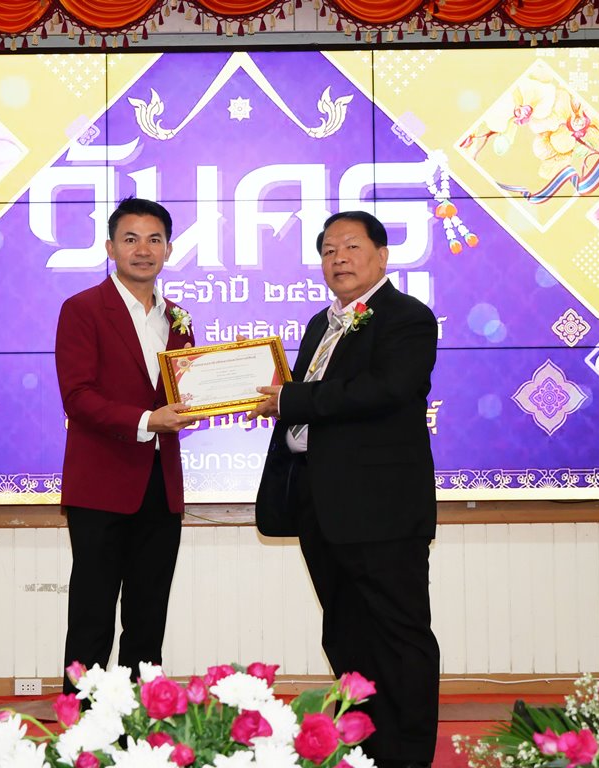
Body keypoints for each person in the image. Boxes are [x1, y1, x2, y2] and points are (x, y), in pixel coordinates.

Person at [251, 211, 440, 768]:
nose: (339, 259)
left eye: (352, 247)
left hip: (382, 510)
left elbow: (386, 389)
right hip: (322, 506)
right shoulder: (320, 324)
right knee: (346, 636)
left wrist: (290, 399)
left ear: (382, 256)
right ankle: (366, 749)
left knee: (400, 637)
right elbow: (312, 403)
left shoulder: (408, 318)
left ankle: (409, 758)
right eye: (329, 250)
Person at [55, 197, 197, 679]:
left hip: (162, 483)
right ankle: (84, 716)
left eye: (154, 240)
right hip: (101, 483)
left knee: (149, 614)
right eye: (131, 239)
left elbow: (184, 392)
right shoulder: (82, 309)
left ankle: (144, 712)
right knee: (92, 613)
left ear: (169, 249)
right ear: (110, 248)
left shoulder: (179, 318)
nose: (143, 250)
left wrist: (204, 401)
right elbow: (78, 397)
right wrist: (148, 420)